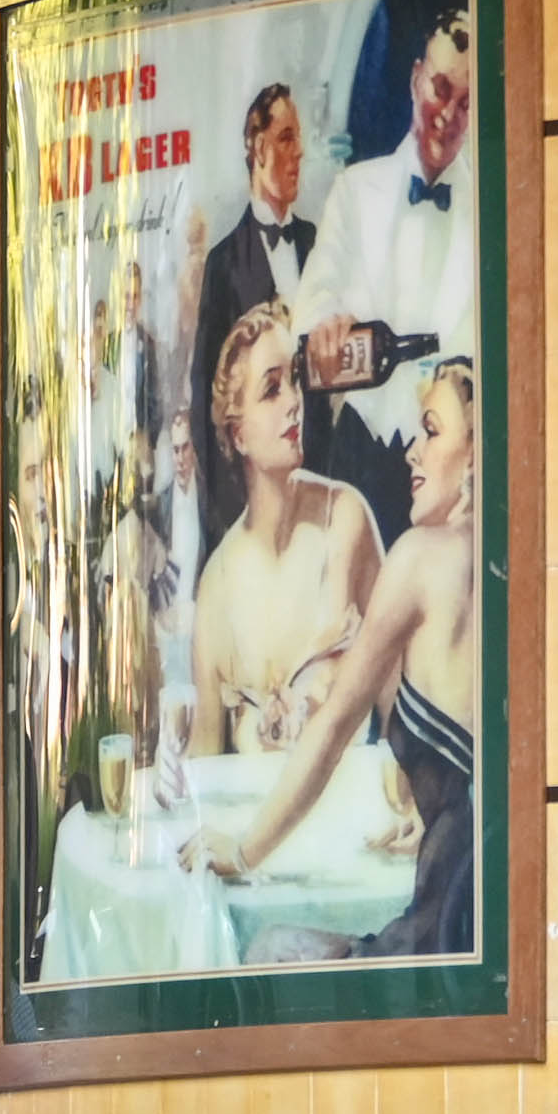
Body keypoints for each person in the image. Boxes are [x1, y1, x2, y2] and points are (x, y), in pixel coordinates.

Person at [206, 358, 483, 962]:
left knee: (268, 951)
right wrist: (433, 808)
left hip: (445, 926)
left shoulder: (420, 558)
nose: (411, 452)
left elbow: (333, 726)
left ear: (476, 456)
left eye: (431, 432)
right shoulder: (491, 568)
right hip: (471, 918)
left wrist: (244, 850)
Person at [298, 0, 478, 545]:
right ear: (415, 79)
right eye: (440, 89)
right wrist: (326, 328)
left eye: (466, 103)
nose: (447, 115)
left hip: (452, 475)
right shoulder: (354, 191)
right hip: (362, 457)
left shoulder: (493, 209)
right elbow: (313, 303)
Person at [184, 301, 383, 790]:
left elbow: (402, 711)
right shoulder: (217, 586)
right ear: (238, 435)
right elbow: (205, 764)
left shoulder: (346, 519)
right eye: (272, 389)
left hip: (351, 832)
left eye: (294, 380)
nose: (294, 401)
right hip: (252, 848)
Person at [187, 83, 321, 540]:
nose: (299, 152)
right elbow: (207, 402)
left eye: (298, 138)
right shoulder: (223, 264)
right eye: (287, 138)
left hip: (321, 501)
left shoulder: (317, 246)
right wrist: (236, 517)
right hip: (257, 512)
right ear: (260, 148)